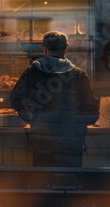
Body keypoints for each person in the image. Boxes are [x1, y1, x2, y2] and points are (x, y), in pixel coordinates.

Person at [10, 31, 100, 167]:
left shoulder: (32, 72)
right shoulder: (79, 74)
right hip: (72, 143)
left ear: (44, 49)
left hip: (42, 142)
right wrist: (76, 123)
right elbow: (92, 109)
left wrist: (33, 118)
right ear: (66, 49)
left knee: (43, 183)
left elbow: (16, 99)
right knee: (71, 183)